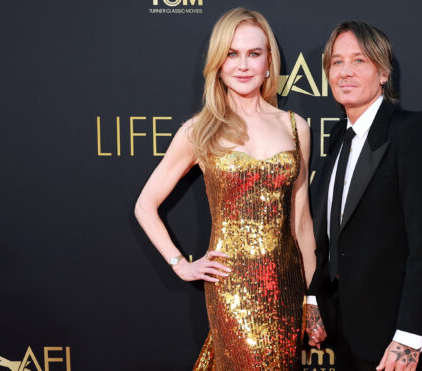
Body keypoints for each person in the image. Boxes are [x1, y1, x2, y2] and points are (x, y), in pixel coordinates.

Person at [134, 8, 315, 371]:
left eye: (254, 53)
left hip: (287, 286)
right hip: (232, 289)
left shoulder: (296, 127)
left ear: (269, 63)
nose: (243, 65)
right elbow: (145, 204)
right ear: (218, 62)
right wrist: (180, 264)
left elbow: (301, 219)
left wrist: (311, 298)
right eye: (232, 54)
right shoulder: (199, 130)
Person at [305, 21, 422, 371]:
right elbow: (332, 234)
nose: (345, 72)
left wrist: (409, 337)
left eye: (359, 61)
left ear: (383, 72)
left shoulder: (410, 132)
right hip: (343, 330)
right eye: (337, 62)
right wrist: (315, 299)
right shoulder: (339, 135)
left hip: (391, 338)